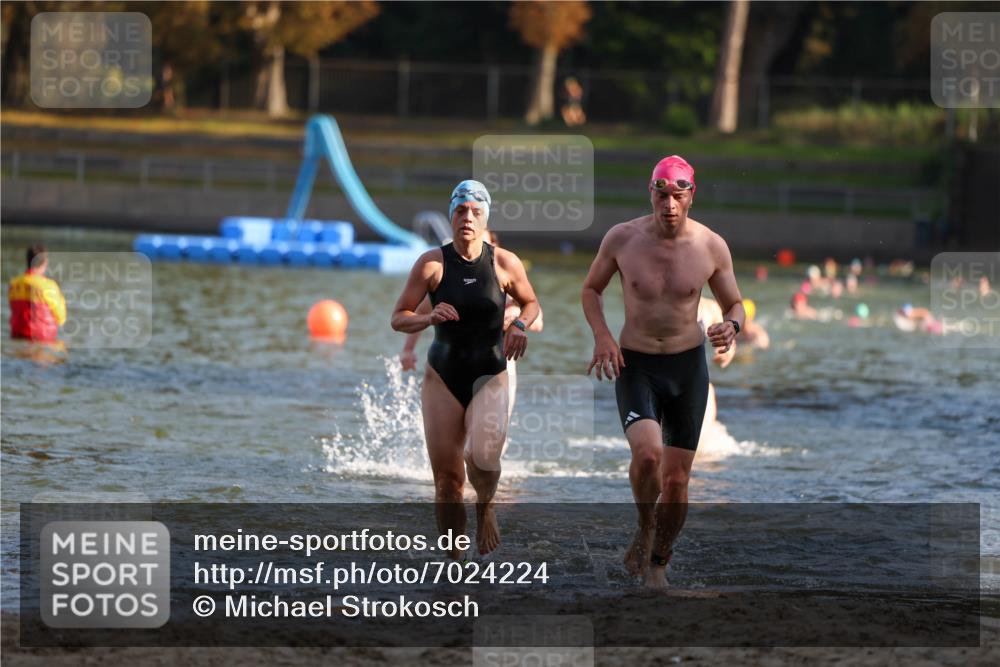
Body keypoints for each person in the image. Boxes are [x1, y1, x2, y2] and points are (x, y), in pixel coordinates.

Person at [580, 155, 744, 588]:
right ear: (649, 192)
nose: (669, 203)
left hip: (687, 368)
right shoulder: (622, 238)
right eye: (661, 193)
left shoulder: (711, 246)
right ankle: (644, 523)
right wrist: (602, 337)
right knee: (648, 455)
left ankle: (658, 561)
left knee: (676, 482)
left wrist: (733, 326)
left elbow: (735, 303)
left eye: (678, 194)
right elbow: (591, 289)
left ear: (692, 194)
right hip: (635, 365)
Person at [391, 181, 541, 558]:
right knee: (446, 482)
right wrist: (426, 320)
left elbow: (532, 303)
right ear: (451, 216)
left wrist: (520, 325)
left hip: (490, 374)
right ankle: (454, 563)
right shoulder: (431, 264)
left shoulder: (504, 263)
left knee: (482, 458)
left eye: (475, 212)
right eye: (461, 211)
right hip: (442, 376)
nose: (467, 219)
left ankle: (487, 505)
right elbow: (398, 317)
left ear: (485, 218)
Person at [400, 230, 544, 419]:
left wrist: (515, 317)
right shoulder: (449, 281)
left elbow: (537, 320)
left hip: (500, 364)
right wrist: (408, 349)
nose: (472, 251)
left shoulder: (506, 279)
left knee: (493, 433)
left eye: (480, 245)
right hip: (455, 364)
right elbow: (421, 313)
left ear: (494, 246)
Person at [9, 244, 66, 343]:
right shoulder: (49, 286)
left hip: (17, 335)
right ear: (44, 262)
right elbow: (61, 318)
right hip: (43, 341)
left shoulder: (14, 284)